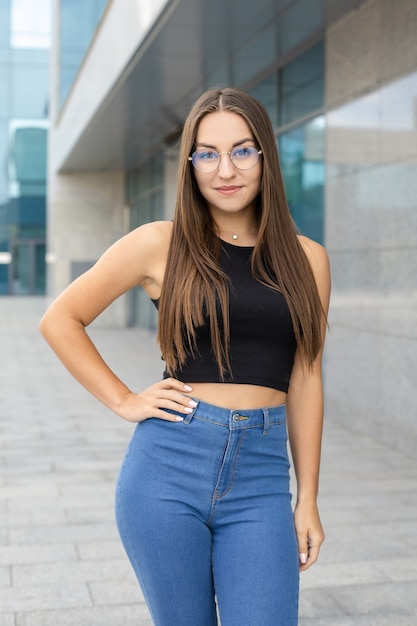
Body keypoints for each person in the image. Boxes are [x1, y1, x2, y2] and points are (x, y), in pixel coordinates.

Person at [39, 86, 330, 626]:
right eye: (207, 153)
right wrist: (124, 399)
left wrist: (307, 496)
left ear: (266, 155)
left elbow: (306, 376)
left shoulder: (307, 259)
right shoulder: (160, 244)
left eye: (242, 150)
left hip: (262, 480)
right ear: (190, 164)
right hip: (167, 469)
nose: (226, 169)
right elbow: (60, 319)